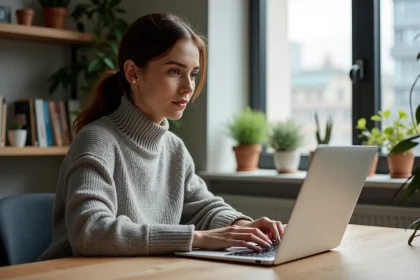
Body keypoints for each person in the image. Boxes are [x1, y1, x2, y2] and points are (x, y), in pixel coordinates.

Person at [38, 12, 285, 260]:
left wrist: (244, 226)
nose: (188, 87)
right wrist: (197, 239)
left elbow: (203, 208)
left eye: (193, 73)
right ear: (133, 73)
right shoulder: (97, 141)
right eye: (175, 72)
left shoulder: (174, 149)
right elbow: (90, 232)